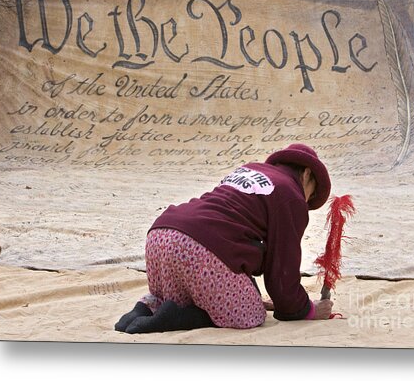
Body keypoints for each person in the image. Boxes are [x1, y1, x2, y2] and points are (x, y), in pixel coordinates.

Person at [115, 143, 334, 334]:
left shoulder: (249, 170)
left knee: (183, 296)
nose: (307, 201)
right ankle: (173, 318)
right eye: (312, 194)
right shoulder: (291, 195)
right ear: (306, 175)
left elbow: (234, 236)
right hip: (198, 247)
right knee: (250, 315)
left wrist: (252, 294)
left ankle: (144, 309)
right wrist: (306, 309)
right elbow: (282, 270)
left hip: (162, 234)